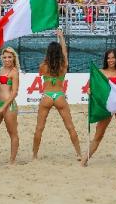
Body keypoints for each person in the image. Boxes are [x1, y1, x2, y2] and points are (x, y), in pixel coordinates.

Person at [32, 29, 81, 161]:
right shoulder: (63, 65)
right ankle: (79, 154)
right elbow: (65, 53)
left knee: (39, 128)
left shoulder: (43, 66)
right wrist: (61, 37)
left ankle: (35, 155)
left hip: (47, 96)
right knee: (70, 127)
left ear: (48, 53)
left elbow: (42, 70)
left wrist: (48, 58)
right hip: (59, 95)